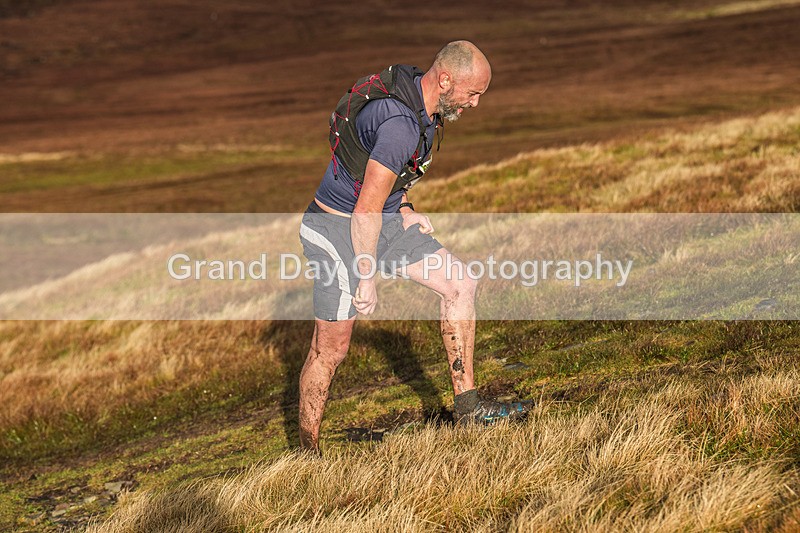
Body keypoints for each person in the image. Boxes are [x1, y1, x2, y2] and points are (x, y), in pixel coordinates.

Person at [297, 40, 530, 453]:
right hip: (336, 230)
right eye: (473, 93)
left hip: (380, 224)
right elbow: (365, 209)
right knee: (331, 348)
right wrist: (366, 279)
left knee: (460, 283)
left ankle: (468, 409)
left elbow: (388, 184)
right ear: (444, 80)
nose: (476, 104)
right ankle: (308, 451)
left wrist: (405, 208)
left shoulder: (422, 103)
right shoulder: (401, 123)